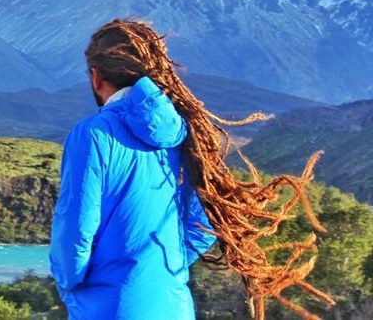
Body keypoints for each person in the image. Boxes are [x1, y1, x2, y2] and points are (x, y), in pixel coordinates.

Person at [49, 19, 331, 320]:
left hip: (108, 307)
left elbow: (76, 229)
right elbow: (203, 223)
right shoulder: (190, 134)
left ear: (96, 77)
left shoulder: (93, 134)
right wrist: (163, 268)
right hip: (174, 305)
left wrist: (70, 284)